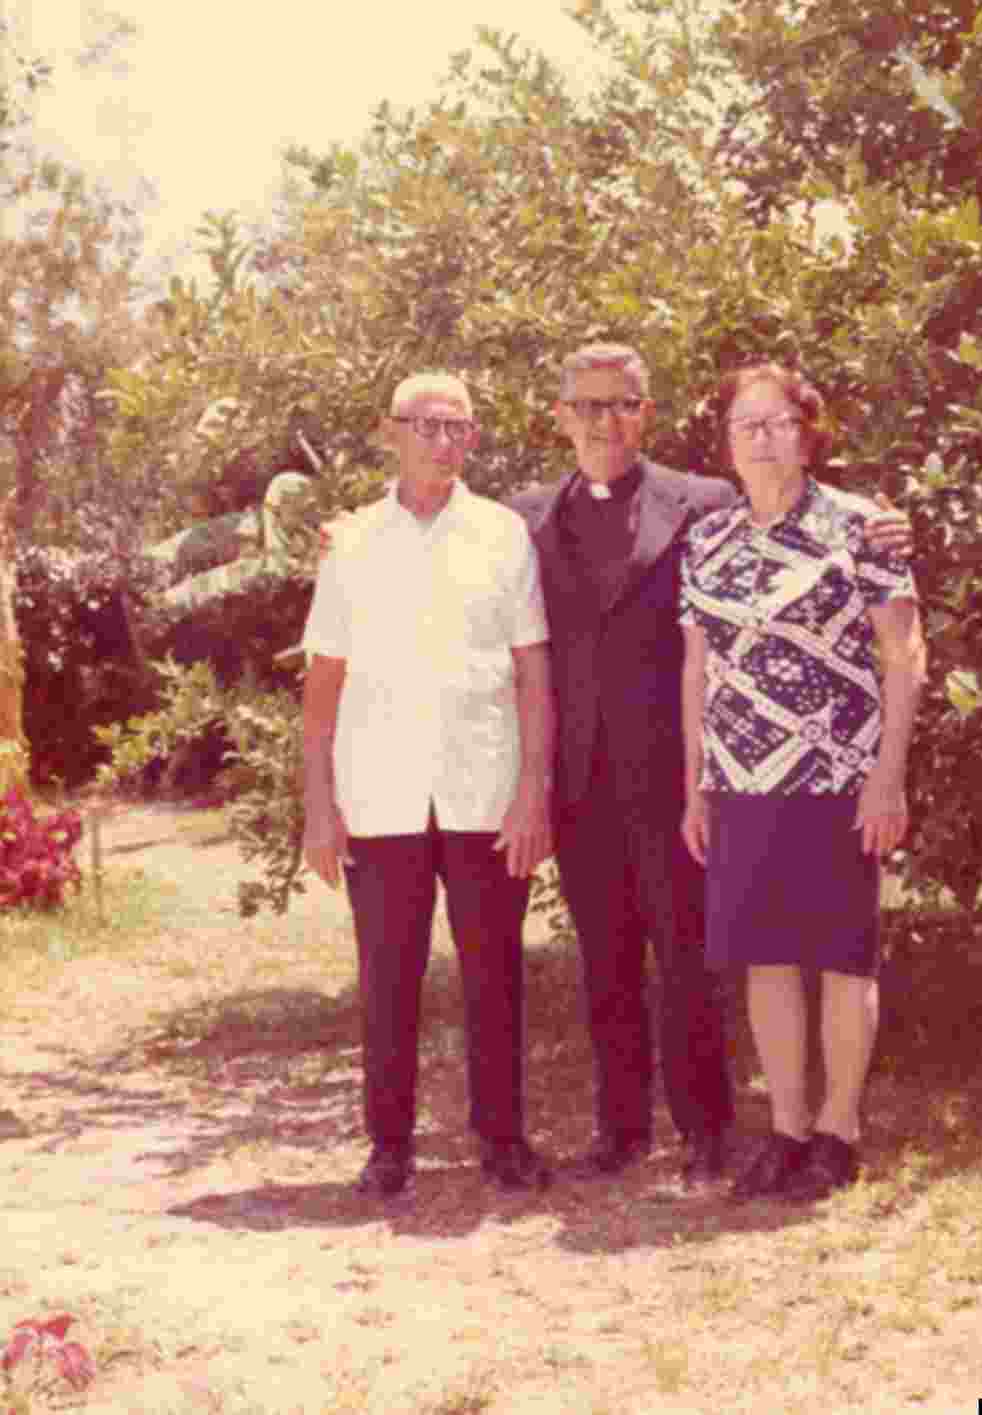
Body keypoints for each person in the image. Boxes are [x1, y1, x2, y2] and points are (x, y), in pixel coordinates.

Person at [302, 372, 555, 1198]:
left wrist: (532, 793)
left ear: (475, 439)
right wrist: (318, 807)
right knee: (387, 978)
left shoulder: (503, 534)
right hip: (380, 795)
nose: (443, 441)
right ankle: (389, 1146)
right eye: (426, 425)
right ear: (391, 432)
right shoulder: (351, 543)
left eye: (460, 427)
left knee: (495, 976)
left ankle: (504, 1141)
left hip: (485, 791)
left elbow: (532, 670)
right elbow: (325, 680)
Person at [679, 363, 926, 1202]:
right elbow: (696, 668)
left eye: (778, 421)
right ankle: (785, 1128)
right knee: (768, 962)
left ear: (807, 431)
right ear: (727, 442)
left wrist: (887, 778)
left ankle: (838, 1131)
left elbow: (905, 654)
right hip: (742, 779)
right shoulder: (708, 540)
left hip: (840, 778)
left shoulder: (861, 527)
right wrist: (695, 785)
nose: (762, 438)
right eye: (746, 424)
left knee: (842, 958)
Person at [508, 344, 738, 1182]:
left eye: (624, 404)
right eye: (589, 406)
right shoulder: (524, 517)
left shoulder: (706, 503)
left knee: (687, 955)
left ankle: (707, 1128)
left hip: (673, 775)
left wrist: (876, 522)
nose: (606, 421)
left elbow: (792, 520)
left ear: (649, 412)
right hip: (579, 777)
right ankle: (621, 1127)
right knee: (603, 958)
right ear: (562, 416)